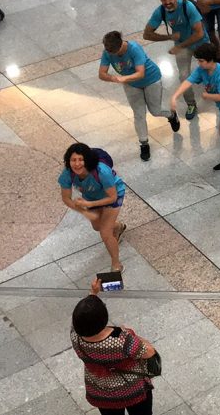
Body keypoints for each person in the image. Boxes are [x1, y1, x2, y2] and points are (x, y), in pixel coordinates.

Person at [71, 279, 158, 415]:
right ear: (104, 319)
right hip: (131, 390)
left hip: (101, 393)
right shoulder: (121, 340)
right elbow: (149, 352)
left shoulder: (75, 335)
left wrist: (93, 294)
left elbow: (84, 319)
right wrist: (132, 335)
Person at [99, 31, 180, 161]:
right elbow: (102, 74)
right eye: (108, 51)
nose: (111, 54)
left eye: (114, 52)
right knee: (139, 114)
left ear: (120, 46)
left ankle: (171, 115)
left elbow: (140, 73)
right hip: (131, 85)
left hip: (151, 80)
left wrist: (123, 78)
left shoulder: (134, 49)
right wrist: (114, 78)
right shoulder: (107, 52)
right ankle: (144, 143)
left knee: (155, 110)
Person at [59, 143, 127, 272]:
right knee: (97, 226)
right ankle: (118, 227)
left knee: (105, 232)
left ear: (87, 160)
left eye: (81, 159)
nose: (77, 164)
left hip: (113, 195)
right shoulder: (67, 174)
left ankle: (116, 264)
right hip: (91, 198)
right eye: (73, 160)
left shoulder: (102, 171)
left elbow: (112, 197)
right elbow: (66, 198)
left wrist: (89, 205)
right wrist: (84, 211)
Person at [143, 0, 206, 120]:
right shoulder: (160, 11)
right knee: (183, 76)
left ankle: (218, 92)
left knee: (210, 70)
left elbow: (199, 33)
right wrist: (169, 37)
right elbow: (147, 34)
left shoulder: (187, 7)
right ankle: (191, 104)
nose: (168, 2)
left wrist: (180, 45)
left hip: (200, 43)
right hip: (182, 46)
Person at [169, 44, 220, 171]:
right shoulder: (202, 70)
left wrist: (207, 95)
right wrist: (175, 96)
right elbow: (188, 81)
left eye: (201, 61)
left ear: (211, 60)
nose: (198, 63)